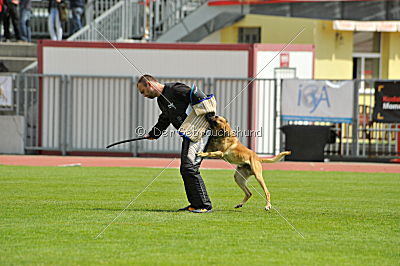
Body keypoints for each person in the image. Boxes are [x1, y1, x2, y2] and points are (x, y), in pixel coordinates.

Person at [136, 75, 214, 213]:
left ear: (149, 84)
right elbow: (165, 118)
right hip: (190, 135)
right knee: (186, 168)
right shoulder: (161, 100)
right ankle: (195, 205)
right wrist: (154, 133)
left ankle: (203, 205)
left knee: (189, 167)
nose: (143, 95)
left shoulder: (175, 89)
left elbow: (197, 94)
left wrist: (209, 117)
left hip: (200, 133)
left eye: (143, 91)